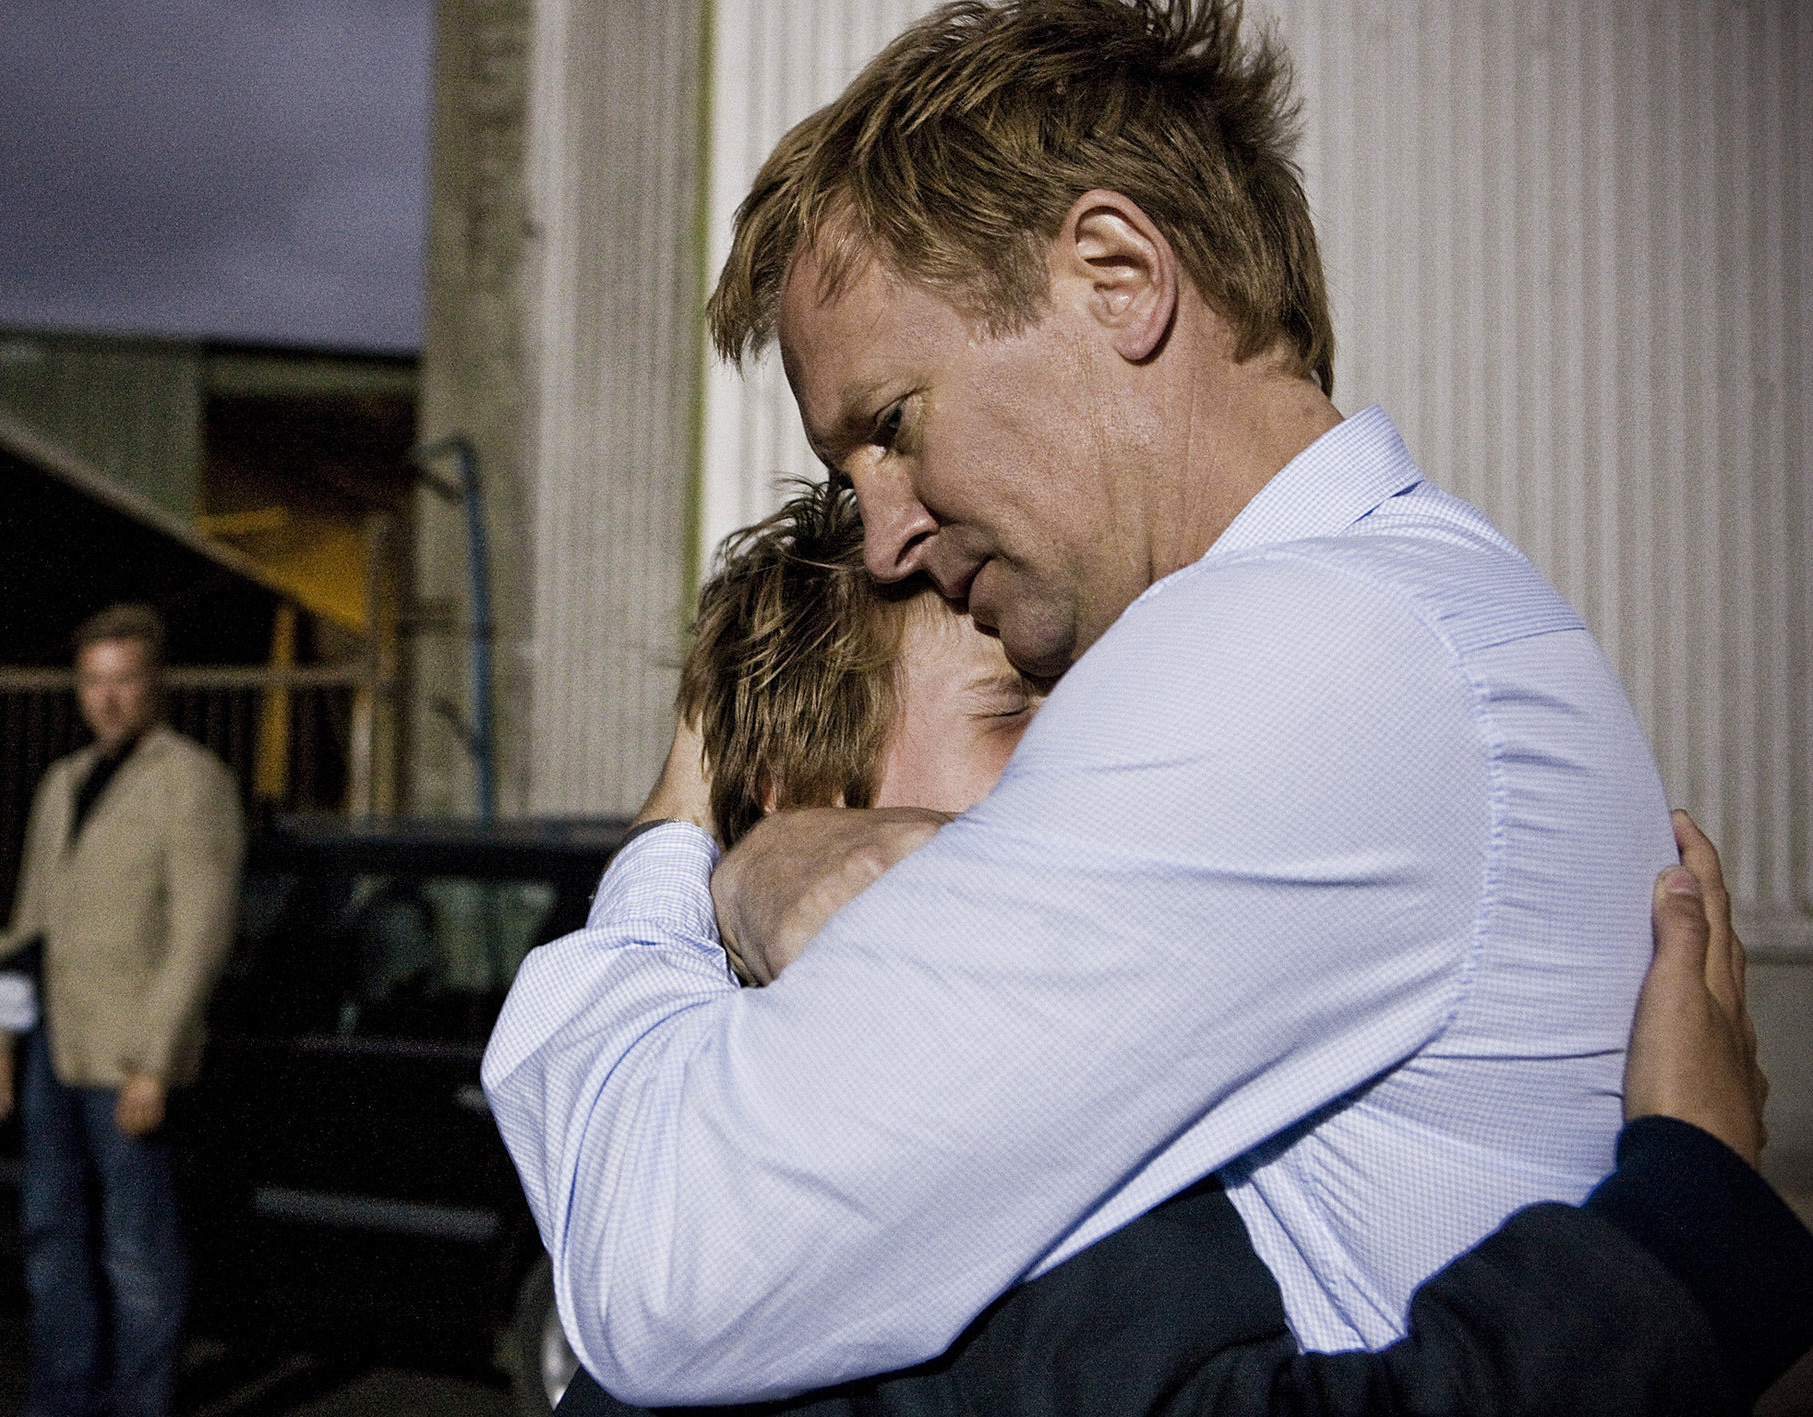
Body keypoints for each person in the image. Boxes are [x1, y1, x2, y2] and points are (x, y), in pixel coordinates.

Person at [482, 0, 1808, 1407]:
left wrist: (672, 871)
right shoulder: (1379, 622)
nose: (880, 536)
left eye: (890, 425)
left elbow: (666, 1270)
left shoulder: (1300, 649)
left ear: (1116, 274)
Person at [544, 482, 1810, 1415]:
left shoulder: (713, 1158)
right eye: (1024, 716)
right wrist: (1686, 1223)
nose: (1105, 771)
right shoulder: (912, 1154)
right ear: (799, 782)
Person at [0, 603, 244, 1417]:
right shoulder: (63, 782)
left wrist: (156, 1058)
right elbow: (30, 926)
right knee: (51, 1237)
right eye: (93, 681)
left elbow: (200, 933)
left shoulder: (191, 781)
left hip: (126, 1059)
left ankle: (140, 1403)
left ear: (155, 685)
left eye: (125, 681)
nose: (107, 699)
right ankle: (63, 1400)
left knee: (137, 1252)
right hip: (53, 1048)